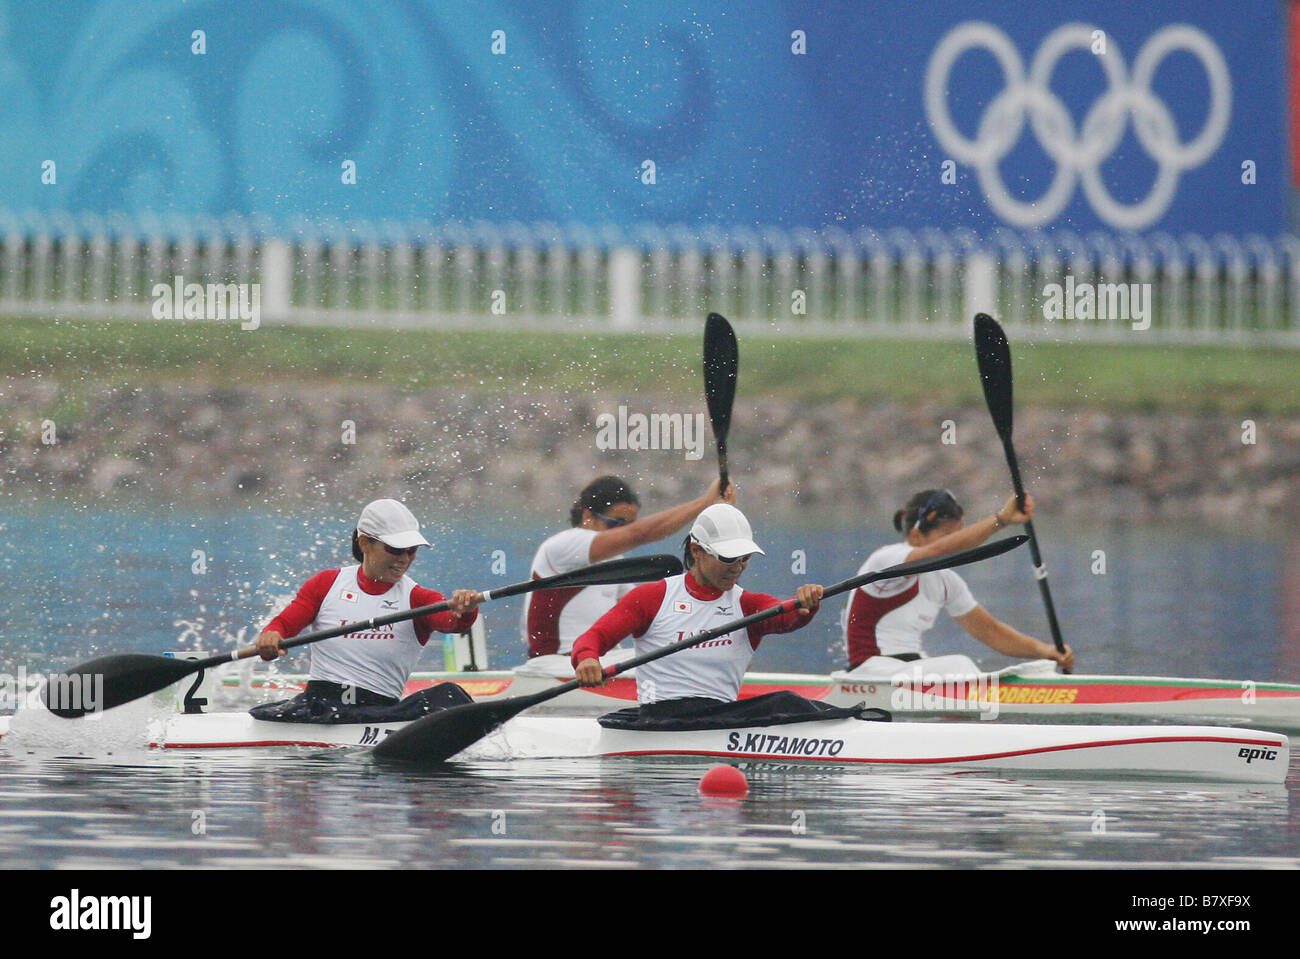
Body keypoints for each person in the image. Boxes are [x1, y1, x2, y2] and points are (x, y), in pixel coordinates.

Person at [570, 503, 856, 725]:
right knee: (784, 703)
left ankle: (855, 720)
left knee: (787, 703)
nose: (738, 567)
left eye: (745, 558)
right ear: (697, 550)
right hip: (662, 718)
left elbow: (785, 617)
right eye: (729, 558)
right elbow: (594, 638)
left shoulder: (748, 605)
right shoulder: (653, 597)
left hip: (718, 717)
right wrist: (587, 661)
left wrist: (805, 605)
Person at [252, 498, 483, 723]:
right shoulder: (326, 584)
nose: (404, 559)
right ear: (365, 543)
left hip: (378, 713)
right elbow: (283, 625)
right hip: (317, 706)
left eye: (411, 550)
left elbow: (453, 623)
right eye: (395, 549)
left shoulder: (418, 598)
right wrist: (271, 639)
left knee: (450, 694)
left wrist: (466, 609)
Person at [841, 488, 1074, 673]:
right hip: (869, 671)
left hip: (910, 671)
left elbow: (991, 632)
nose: (961, 545)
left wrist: (1046, 651)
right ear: (915, 535)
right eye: (949, 536)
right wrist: (1001, 520)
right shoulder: (886, 561)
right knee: (959, 665)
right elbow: (938, 552)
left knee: (1038, 669)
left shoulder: (945, 581)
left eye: (960, 534)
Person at [522, 475, 733, 659]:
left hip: (597, 661)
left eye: (630, 524)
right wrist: (706, 503)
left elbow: (646, 613)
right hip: (555, 664)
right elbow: (640, 534)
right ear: (587, 516)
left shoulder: (613, 561)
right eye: (616, 524)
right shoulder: (563, 546)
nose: (623, 532)